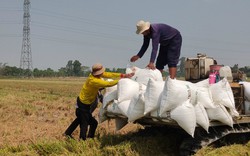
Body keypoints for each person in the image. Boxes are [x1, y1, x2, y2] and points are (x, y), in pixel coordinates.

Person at [64, 63, 134, 140]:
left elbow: (109, 74)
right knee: (86, 123)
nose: (103, 74)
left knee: (81, 119)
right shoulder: (93, 81)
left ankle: (68, 133)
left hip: (84, 102)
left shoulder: (95, 75)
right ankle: (82, 140)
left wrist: (122, 75)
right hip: (83, 104)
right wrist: (121, 80)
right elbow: (108, 84)